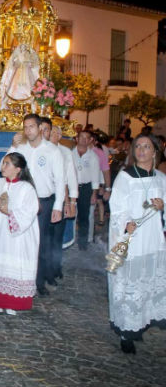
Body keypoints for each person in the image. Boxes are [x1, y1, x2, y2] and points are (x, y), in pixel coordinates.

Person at [108, 133, 165, 354]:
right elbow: (117, 207)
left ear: (155, 152)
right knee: (129, 284)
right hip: (133, 239)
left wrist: (162, 206)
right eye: (138, 146)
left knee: (147, 283)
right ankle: (126, 331)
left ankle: (140, 324)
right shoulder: (125, 177)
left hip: (152, 239)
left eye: (146, 146)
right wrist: (125, 224)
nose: (141, 150)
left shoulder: (161, 178)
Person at [9, 114, 64, 295]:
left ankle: (38, 282)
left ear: (40, 128)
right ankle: (20, 279)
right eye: (25, 127)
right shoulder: (22, 148)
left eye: (31, 126)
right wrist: (13, 145)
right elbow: (8, 165)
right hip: (23, 202)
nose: (28, 130)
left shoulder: (52, 151)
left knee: (41, 243)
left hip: (43, 202)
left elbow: (60, 180)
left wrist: (58, 206)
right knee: (21, 240)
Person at [0, 152, 39, 314]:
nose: (2, 167)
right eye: (3, 163)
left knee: (14, 263)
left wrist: (9, 211)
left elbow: (30, 212)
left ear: (18, 169)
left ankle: (14, 304)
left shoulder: (27, 188)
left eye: (7, 164)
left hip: (17, 235)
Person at [49, 126, 78, 279]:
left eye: (55, 133)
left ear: (60, 136)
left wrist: (72, 202)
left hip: (62, 197)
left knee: (57, 235)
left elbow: (71, 177)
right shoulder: (42, 149)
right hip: (46, 196)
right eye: (50, 132)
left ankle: (56, 267)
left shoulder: (65, 152)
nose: (52, 135)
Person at [71, 130, 100, 251]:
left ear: (89, 141)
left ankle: (83, 243)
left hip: (86, 188)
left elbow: (95, 176)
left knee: (84, 216)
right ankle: (70, 240)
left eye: (86, 138)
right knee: (70, 215)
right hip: (72, 187)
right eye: (81, 137)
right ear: (76, 138)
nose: (83, 139)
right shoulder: (70, 153)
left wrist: (94, 194)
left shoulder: (93, 156)